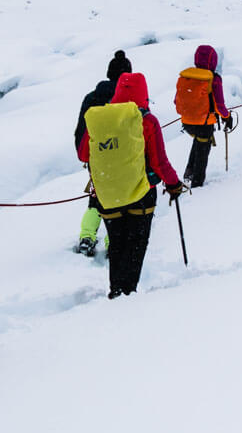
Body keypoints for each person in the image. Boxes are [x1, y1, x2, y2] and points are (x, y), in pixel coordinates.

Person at [79, 72, 183, 298]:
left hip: (108, 195)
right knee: (136, 245)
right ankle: (129, 294)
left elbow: (83, 153)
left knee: (117, 244)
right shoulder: (146, 120)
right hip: (141, 195)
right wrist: (174, 184)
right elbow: (159, 161)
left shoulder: (100, 119)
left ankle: (116, 290)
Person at [73, 49, 132, 256]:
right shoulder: (129, 97)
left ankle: (87, 236)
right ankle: (112, 241)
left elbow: (81, 130)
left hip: (97, 158)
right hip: (123, 158)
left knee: (96, 198)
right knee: (120, 201)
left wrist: (86, 155)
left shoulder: (92, 97)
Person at [175, 45, 233, 187]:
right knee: (203, 151)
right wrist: (227, 117)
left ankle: (189, 171)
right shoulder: (214, 79)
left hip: (187, 122)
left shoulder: (187, 77)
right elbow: (219, 105)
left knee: (198, 142)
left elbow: (176, 100)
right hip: (205, 123)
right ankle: (197, 183)